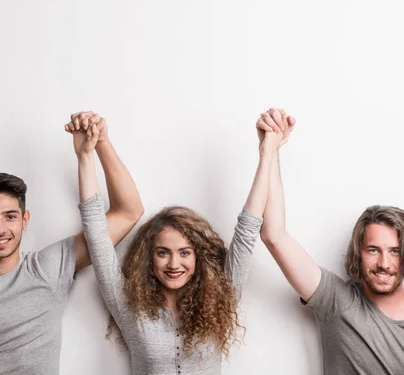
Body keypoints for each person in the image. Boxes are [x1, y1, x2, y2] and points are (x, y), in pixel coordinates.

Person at [0, 112, 144, 375]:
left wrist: (99, 145)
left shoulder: (48, 267)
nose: (0, 228)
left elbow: (129, 211)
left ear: (25, 220)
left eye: (10, 216)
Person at [256, 108, 404, 375]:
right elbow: (274, 235)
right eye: (373, 250)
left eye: (395, 251)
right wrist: (270, 150)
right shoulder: (337, 301)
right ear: (359, 253)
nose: (384, 263)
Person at [76, 113, 284, 374]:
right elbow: (96, 235)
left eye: (184, 252)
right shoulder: (130, 307)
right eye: (163, 253)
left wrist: (268, 152)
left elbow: (248, 229)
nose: (174, 264)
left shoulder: (221, 295)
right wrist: (86, 155)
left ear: (198, 257)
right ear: (149, 257)